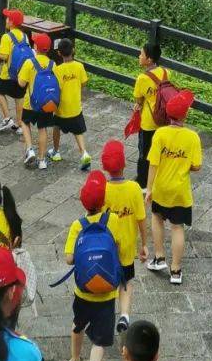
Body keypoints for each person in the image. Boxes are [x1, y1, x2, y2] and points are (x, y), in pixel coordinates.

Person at [65, 171, 126, 361]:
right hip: (107, 292)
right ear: (104, 201)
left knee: (77, 325)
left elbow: (70, 259)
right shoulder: (113, 221)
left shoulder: (76, 226)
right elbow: (120, 248)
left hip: (83, 292)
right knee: (100, 339)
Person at [145, 90, 201, 285]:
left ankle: (159, 257)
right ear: (185, 115)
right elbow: (196, 166)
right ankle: (176, 270)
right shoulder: (192, 137)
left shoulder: (160, 134)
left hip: (161, 188)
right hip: (180, 191)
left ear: (168, 114)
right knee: (177, 227)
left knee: (157, 218)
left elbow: (153, 162)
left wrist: (149, 188)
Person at [101, 140, 147, 335]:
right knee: (127, 282)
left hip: (107, 248)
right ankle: (125, 314)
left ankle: (106, 314)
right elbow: (141, 219)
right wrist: (144, 244)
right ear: (124, 164)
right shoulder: (135, 188)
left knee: (107, 282)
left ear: (104, 167)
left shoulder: (103, 190)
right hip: (127, 248)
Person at [49, 37, 92, 169]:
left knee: (56, 128)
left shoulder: (58, 69)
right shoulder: (79, 66)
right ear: (73, 50)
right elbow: (84, 82)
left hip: (61, 109)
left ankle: (55, 152)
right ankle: (84, 153)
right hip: (75, 108)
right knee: (78, 132)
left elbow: (56, 87)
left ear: (59, 53)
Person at [0, 7, 29, 133]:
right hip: (21, 73)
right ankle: (20, 124)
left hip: (8, 73)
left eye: (7, 18)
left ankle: (7, 118)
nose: (6, 20)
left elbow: (4, 56)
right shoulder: (25, 36)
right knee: (19, 97)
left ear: (11, 22)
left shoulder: (7, 37)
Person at [131, 43, 168, 190]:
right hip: (163, 119)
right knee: (159, 151)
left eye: (142, 54)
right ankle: (159, 178)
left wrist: (139, 104)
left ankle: (143, 182)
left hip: (148, 122)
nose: (139, 56)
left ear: (150, 59)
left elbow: (139, 100)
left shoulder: (142, 78)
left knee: (145, 152)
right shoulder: (165, 72)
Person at [18, 31, 55, 172]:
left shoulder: (29, 63)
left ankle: (29, 149)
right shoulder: (53, 64)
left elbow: (21, 83)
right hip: (46, 103)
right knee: (42, 128)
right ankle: (42, 160)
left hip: (30, 102)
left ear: (35, 47)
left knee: (25, 122)